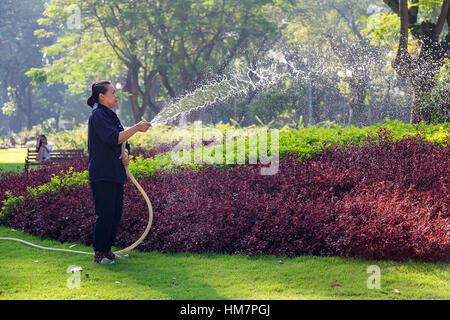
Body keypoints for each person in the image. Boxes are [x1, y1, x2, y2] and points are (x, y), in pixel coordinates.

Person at [87, 80, 152, 264]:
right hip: (102, 173)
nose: (116, 96)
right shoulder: (98, 116)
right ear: (102, 96)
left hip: (115, 173)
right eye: (113, 93)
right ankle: (99, 253)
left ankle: (107, 250)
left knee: (115, 214)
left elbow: (124, 142)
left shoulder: (111, 116)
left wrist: (125, 152)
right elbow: (113, 138)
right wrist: (137, 127)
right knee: (105, 213)